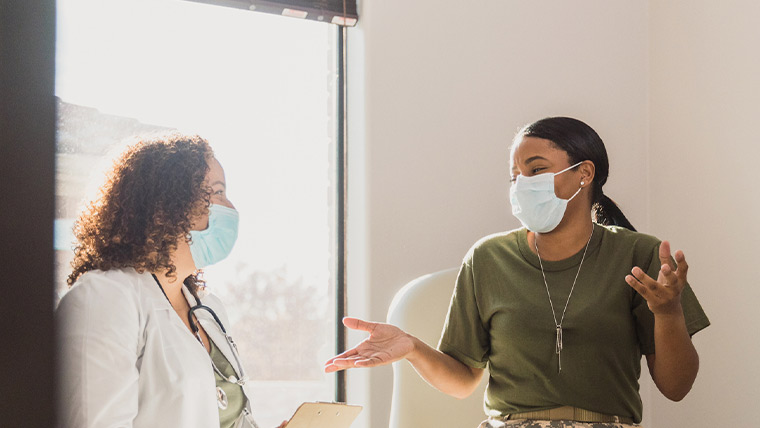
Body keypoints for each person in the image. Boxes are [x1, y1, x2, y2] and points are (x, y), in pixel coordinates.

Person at [325, 117, 710, 427]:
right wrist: (411, 347)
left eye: (536, 170)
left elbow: (676, 388)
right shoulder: (488, 258)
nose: (522, 185)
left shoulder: (640, 254)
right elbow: (463, 381)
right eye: (515, 176)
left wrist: (668, 312)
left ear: (585, 174)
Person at [57, 134, 286, 428]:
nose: (229, 206)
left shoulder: (208, 308)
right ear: (165, 206)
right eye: (215, 192)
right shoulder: (104, 298)